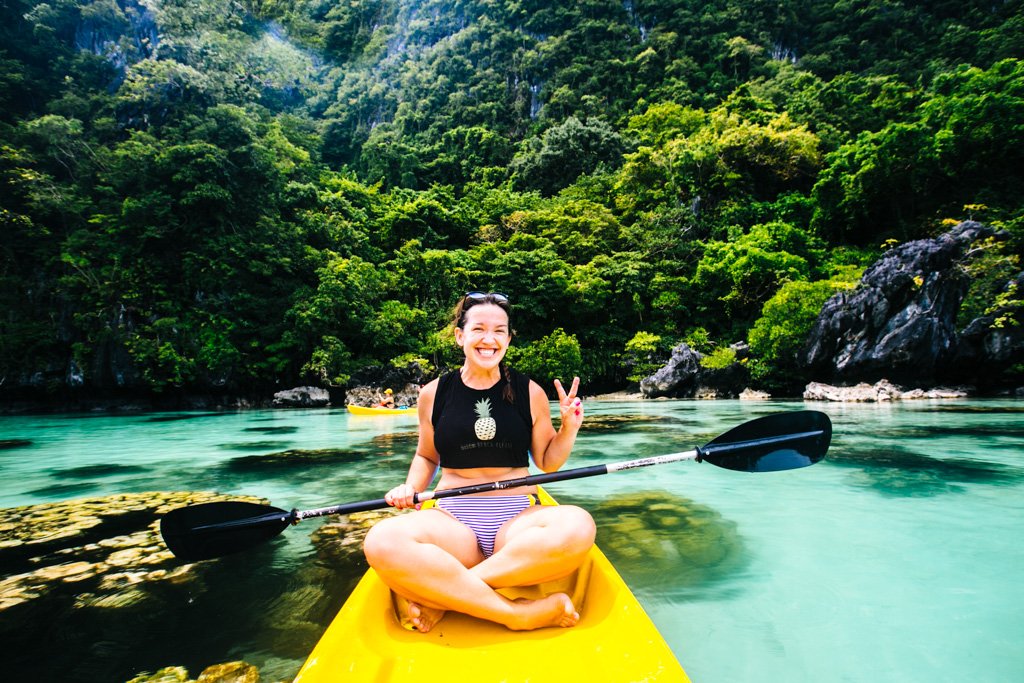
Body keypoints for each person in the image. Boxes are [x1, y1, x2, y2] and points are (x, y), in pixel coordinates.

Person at [363, 291, 596, 633]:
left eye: (500, 331)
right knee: (380, 541)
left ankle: (444, 597)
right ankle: (516, 615)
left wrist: (569, 429)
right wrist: (410, 488)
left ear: (508, 339)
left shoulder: (529, 391)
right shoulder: (433, 393)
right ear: (461, 336)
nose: (489, 339)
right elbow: (427, 455)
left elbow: (547, 462)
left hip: (517, 521)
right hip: (452, 520)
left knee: (579, 525)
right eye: (479, 329)